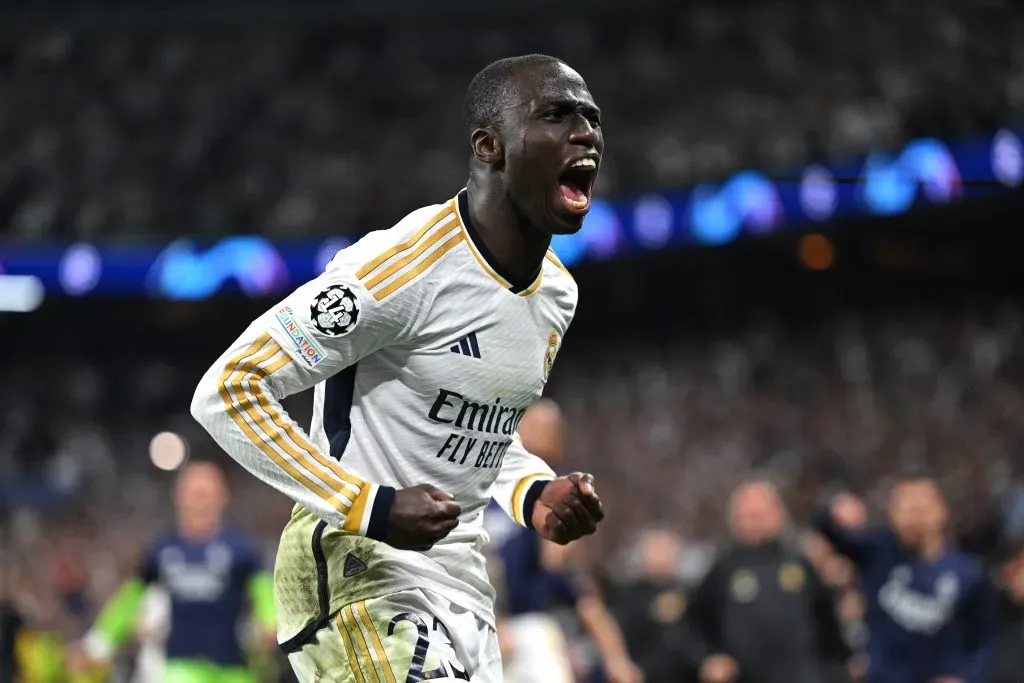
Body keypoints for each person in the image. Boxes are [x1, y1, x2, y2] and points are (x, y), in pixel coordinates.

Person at [190, 53, 607, 683]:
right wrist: (367, 505)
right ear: (489, 146)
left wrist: (532, 490)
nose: (586, 134)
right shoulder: (401, 270)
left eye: (591, 119)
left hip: (465, 591)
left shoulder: (556, 296)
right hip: (358, 572)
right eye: (556, 115)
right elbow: (229, 389)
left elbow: (478, 430)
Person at [68, 461, 276, 683]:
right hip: (180, 668)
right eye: (195, 494)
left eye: (207, 494)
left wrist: (270, 623)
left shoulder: (241, 549)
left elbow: (263, 591)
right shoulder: (162, 550)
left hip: (233, 667)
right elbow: (129, 599)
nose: (201, 502)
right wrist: (97, 644)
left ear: (222, 497)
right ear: (179, 497)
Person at [485, 399, 642, 683]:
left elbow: (578, 588)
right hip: (484, 622)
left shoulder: (561, 492)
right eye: (531, 424)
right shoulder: (485, 491)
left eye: (549, 428)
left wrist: (616, 658)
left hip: (535, 627)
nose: (537, 433)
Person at [815, 476, 997, 683]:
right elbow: (830, 531)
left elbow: (985, 639)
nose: (915, 516)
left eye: (922, 507)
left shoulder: (968, 572)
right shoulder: (876, 553)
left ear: (942, 511)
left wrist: (965, 677)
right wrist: (834, 509)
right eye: (907, 507)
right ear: (891, 514)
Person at [682, 479, 851, 683]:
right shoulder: (722, 570)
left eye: (761, 514)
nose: (756, 522)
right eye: (749, 516)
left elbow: (828, 627)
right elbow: (690, 628)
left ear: (779, 514)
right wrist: (707, 659)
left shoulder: (800, 563)